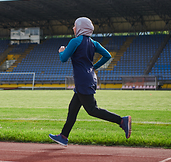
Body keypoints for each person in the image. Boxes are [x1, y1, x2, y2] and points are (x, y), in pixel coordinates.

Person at [49, 17, 131, 146]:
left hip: (82, 80)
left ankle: (121, 121)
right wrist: (94, 67)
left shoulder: (75, 41)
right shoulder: (94, 43)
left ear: (80, 27)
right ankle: (63, 136)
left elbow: (63, 59)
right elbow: (107, 55)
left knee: (92, 110)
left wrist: (61, 51)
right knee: (73, 109)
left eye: (74, 25)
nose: (73, 28)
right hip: (89, 78)